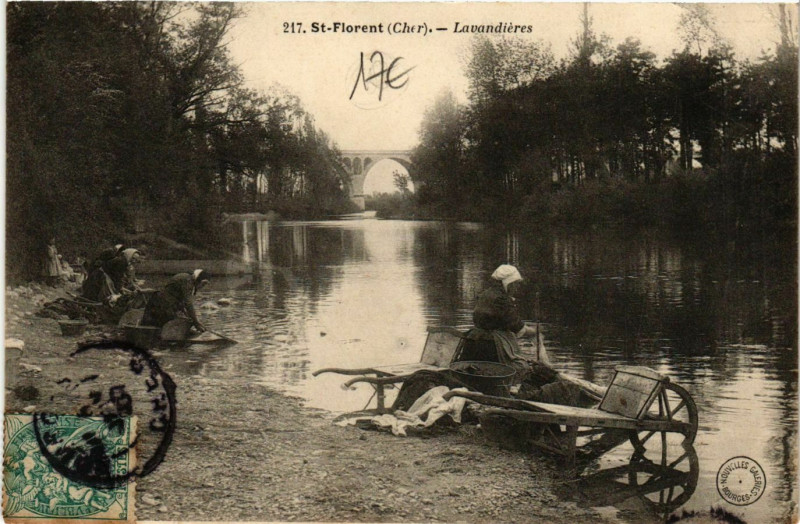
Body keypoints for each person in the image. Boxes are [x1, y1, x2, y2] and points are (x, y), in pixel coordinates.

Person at [455, 264, 548, 366]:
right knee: (520, 367)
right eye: (515, 284)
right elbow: (515, 326)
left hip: (473, 340)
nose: (516, 288)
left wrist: (527, 328)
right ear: (509, 283)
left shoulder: (486, 294)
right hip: (491, 345)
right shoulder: (501, 299)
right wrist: (534, 331)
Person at [141, 270, 209, 331]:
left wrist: (192, 319)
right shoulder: (188, 281)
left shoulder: (187, 278)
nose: (203, 287)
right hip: (161, 305)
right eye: (203, 284)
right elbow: (188, 304)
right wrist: (196, 322)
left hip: (161, 302)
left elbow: (182, 304)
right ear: (198, 280)